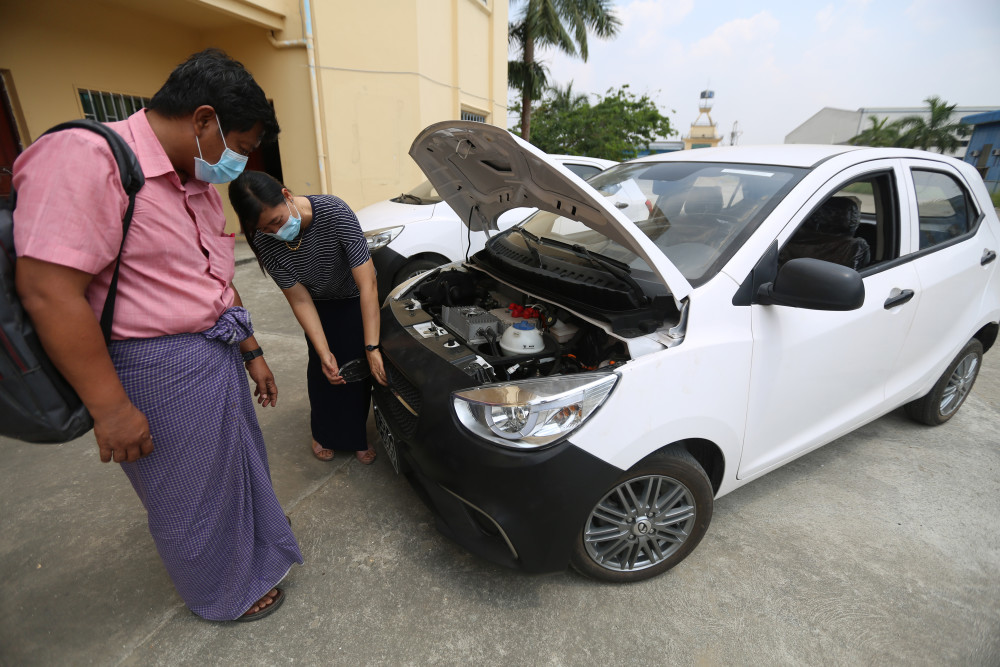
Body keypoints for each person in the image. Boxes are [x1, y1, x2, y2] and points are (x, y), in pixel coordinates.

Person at [13, 49, 302, 622]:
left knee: (237, 469)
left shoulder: (189, 181)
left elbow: (209, 281)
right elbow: (50, 292)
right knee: (188, 495)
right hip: (152, 368)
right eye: (238, 148)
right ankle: (222, 592)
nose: (239, 165)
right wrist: (112, 409)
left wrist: (251, 350)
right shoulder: (87, 157)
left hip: (212, 354)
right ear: (202, 120)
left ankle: (254, 550)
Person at [228, 170, 389, 465]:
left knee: (357, 368)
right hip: (317, 303)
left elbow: (368, 284)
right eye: (265, 229)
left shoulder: (334, 211)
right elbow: (299, 298)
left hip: (355, 297)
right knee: (323, 368)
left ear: (287, 196)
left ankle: (356, 436)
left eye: (276, 222)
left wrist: (372, 346)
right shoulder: (264, 241)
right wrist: (323, 349)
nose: (276, 233)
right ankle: (323, 432)